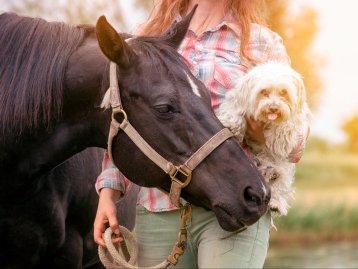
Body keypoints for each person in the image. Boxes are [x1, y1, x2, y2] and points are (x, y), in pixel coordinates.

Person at [94, 0, 310, 268]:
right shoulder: (145, 35)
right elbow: (123, 119)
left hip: (236, 204)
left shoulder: (261, 43)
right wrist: (108, 194)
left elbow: (298, 143)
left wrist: (262, 131)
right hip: (159, 207)